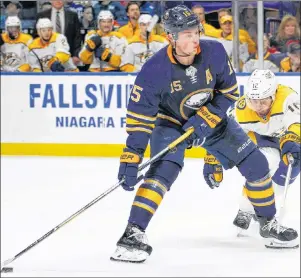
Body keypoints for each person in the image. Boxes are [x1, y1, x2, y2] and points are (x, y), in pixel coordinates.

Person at [110, 5, 298, 264]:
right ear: (171, 37)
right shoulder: (153, 70)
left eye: (195, 31)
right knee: (163, 172)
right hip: (170, 124)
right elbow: (140, 119)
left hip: (211, 118)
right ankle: (133, 233)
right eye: (186, 34)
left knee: (257, 164)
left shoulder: (215, 52)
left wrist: (203, 121)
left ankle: (267, 223)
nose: (194, 38)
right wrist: (131, 156)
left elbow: (229, 93)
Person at [227, 69, 300, 232]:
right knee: (262, 165)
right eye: (254, 101)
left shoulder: (288, 98)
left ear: (273, 96)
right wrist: (214, 158)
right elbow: (227, 133)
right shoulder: (242, 109)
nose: (258, 107)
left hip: (289, 138)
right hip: (262, 138)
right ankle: (245, 209)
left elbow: (296, 122)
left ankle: (265, 209)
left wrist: (293, 140)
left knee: (284, 176)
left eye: (263, 102)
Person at [34, 0, 82, 66]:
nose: (58, 1)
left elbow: (77, 37)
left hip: (68, 56)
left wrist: (76, 55)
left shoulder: (73, 15)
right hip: (46, 57)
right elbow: (36, 37)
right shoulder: (41, 15)